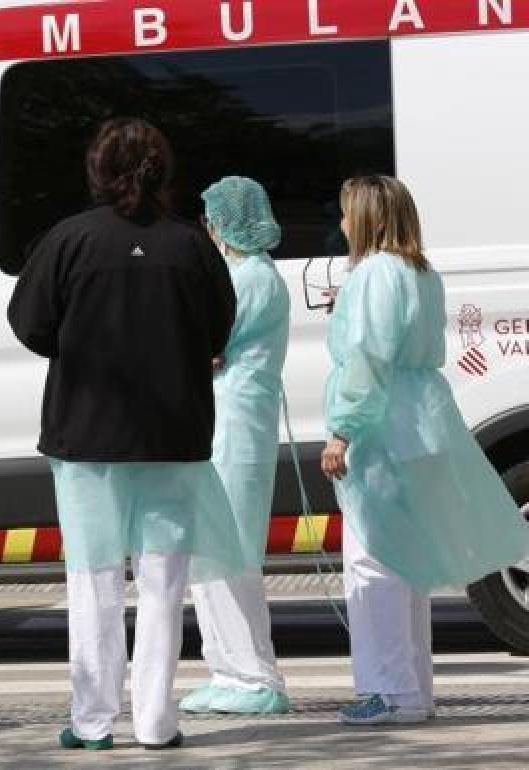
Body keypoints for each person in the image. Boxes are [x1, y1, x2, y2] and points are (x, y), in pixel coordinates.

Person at [8, 118, 249, 750]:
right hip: (174, 436)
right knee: (164, 581)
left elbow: (29, 326)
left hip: (84, 440)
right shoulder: (191, 246)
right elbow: (221, 327)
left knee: (93, 581)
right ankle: (154, 720)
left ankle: (92, 720)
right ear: (162, 171)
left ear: (96, 171)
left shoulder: (68, 241)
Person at [322, 175, 529, 724]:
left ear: (366, 216)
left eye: (346, 213)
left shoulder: (370, 274)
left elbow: (367, 359)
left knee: (374, 563)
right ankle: (412, 690)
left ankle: (390, 694)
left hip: (382, 429)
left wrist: (343, 429)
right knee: (407, 561)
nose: (340, 223)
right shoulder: (421, 272)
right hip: (424, 421)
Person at [180, 177, 291, 715]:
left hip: (234, 429)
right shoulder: (251, 276)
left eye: (212, 219)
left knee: (228, 554)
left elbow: (205, 346)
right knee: (216, 552)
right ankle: (231, 670)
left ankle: (252, 677)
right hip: (233, 424)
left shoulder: (248, 279)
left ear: (226, 224)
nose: (208, 229)